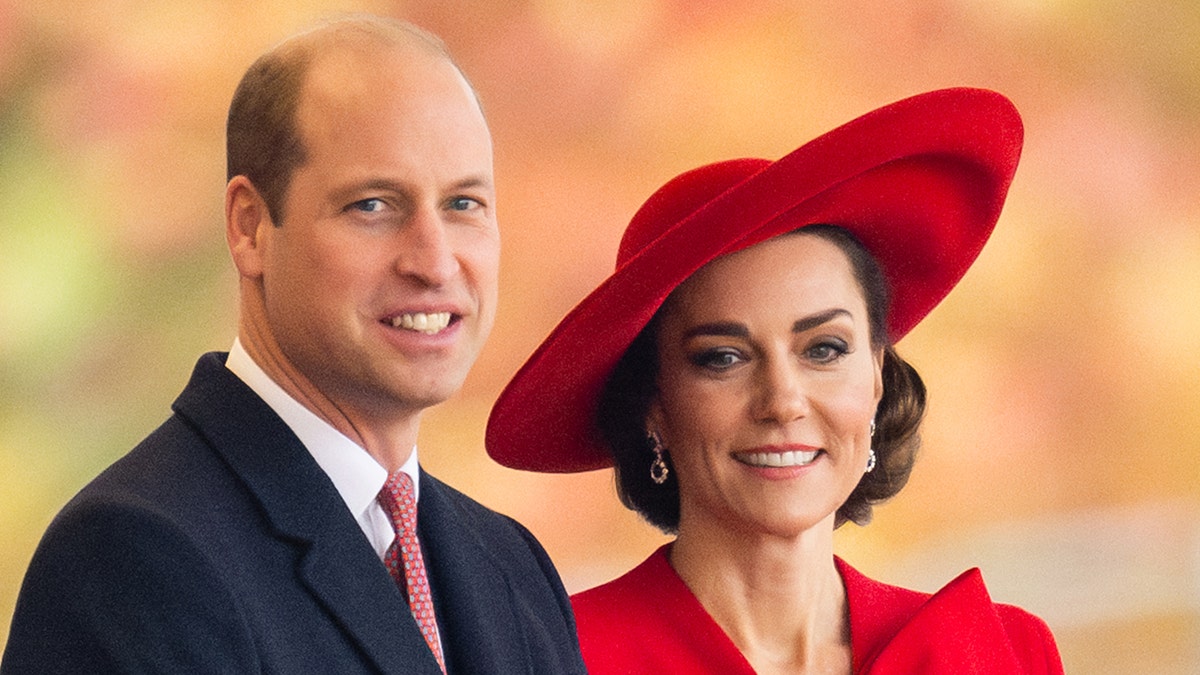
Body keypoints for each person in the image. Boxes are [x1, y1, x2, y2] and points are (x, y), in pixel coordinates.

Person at [3, 15, 585, 675]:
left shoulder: (514, 567)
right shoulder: (131, 556)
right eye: (373, 205)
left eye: (463, 205)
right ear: (250, 227)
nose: (435, 262)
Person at [486, 88, 1064, 673]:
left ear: (878, 378)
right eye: (723, 357)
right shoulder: (549, 658)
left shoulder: (1007, 652)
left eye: (824, 349)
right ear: (653, 403)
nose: (783, 401)